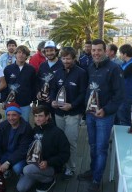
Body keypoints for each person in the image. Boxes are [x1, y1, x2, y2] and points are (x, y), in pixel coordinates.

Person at [77, 39, 125, 192]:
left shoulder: (115, 69)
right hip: (90, 115)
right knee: (92, 146)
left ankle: (97, 179)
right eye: (93, 50)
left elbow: (119, 95)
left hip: (104, 116)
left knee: (101, 148)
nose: (96, 53)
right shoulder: (91, 67)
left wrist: (106, 110)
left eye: (99, 50)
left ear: (105, 51)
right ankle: (93, 171)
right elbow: (88, 90)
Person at [51, 47, 87, 180]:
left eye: (68, 58)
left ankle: (70, 168)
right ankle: (60, 165)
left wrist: (72, 105)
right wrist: (53, 100)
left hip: (73, 113)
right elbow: (53, 89)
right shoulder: (57, 72)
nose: (65, 61)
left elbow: (83, 93)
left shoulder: (81, 73)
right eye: (63, 58)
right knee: (59, 141)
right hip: (58, 113)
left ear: (74, 59)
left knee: (71, 141)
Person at [16, 105, 70, 192]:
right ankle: (37, 176)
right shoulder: (34, 130)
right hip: (33, 165)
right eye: (36, 116)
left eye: (40, 116)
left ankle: (49, 180)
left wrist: (48, 162)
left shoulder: (57, 133)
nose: (37, 119)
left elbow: (65, 154)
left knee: (27, 170)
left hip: (50, 166)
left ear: (47, 116)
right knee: (21, 188)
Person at [0, 102, 33, 178]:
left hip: (21, 156)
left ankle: (22, 174)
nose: (11, 118)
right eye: (8, 115)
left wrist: (8, 162)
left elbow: (23, 149)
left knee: (17, 168)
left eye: (14, 115)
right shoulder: (3, 125)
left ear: (19, 115)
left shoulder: (26, 127)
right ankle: (7, 170)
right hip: (6, 153)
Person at [0, 45, 36, 122]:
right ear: (15, 54)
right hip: (10, 103)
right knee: (9, 125)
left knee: (24, 125)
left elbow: (34, 87)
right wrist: (3, 100)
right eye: (19, 52)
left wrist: (34, 102)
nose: (21, 55)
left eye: (23, 53)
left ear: (26, 56)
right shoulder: (8, 69)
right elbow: (4, 86)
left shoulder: (31, 69)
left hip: (25, 103)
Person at [37, 40, 63, 124]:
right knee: (42, 124)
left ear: (56, 51)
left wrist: (53, 97)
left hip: (56, 102)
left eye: (51, 50)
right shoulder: (42, 65)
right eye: (47, 51)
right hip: (43, 102)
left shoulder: (62, 64)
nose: (49, 53)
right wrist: (38, 92)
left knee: (55, 125)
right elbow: (39, 81)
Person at [116, 44, 132, 125]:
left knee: (124, 119)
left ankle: (125, 137)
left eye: (121, 53)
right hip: (122, 95)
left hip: (126, 96)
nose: (120, 55)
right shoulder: (126, 63)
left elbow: (120, 76)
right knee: (121, 117)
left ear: (125, 54)